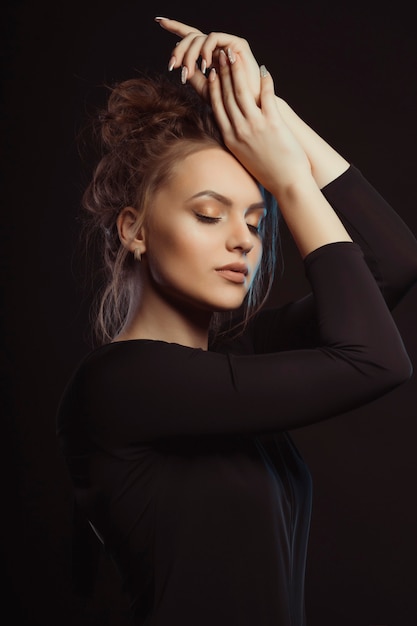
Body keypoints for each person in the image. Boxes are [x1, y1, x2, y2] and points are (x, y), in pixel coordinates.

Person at [56, 16, 417, 626]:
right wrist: (286, 179)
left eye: (255, 221)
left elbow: (393, 266)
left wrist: (263, 112)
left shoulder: (237, 359)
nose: (242, 242)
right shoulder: (120, 384)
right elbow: (375, 361)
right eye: (208, 214)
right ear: (135, 229)